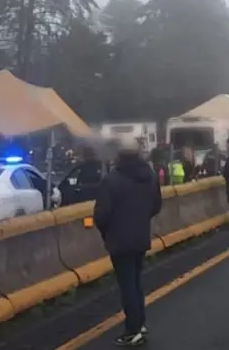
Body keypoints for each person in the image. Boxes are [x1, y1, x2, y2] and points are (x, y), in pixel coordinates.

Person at [94, 139, 163, 346]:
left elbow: (102, 215)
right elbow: (156, 205)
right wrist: (141, 219)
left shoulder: (111, 180)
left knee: (127, 286)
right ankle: (139, 323)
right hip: (140, 236)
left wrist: (107, 231)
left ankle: (133, 329)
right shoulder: (149, 176)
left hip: (119, 239)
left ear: (119, 156)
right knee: (135, 282)